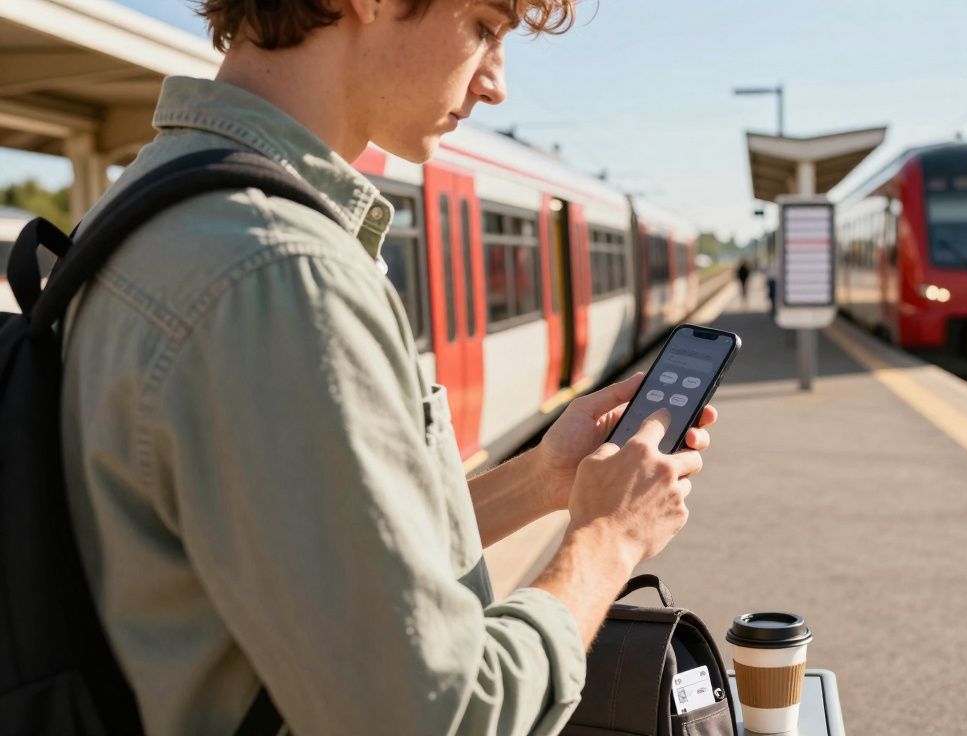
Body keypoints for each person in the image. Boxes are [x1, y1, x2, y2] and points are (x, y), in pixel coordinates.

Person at [59, 1, 718, 734]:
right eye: (486, 29)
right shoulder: (281, 275)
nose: (495, 83)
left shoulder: (150, 205)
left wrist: (541, 481)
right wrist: (608, 541)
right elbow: (438, 714)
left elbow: (325, 557)